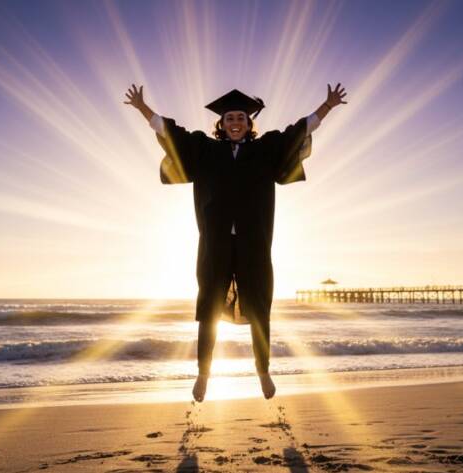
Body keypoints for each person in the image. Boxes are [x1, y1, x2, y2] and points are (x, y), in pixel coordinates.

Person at [124, 83, 347, 401]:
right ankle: (203, 374)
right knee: (209, 307)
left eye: (241, 117)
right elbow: (172, 133)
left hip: (253, 244)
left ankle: (263, 371)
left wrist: (327, 106)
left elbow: (297, 132)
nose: (235, 122)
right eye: (230, 118)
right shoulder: (205, 150)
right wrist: (142, 108)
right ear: (221, 123)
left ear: (248, 122)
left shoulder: (264, 150)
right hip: (215, 245)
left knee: (259, 306)